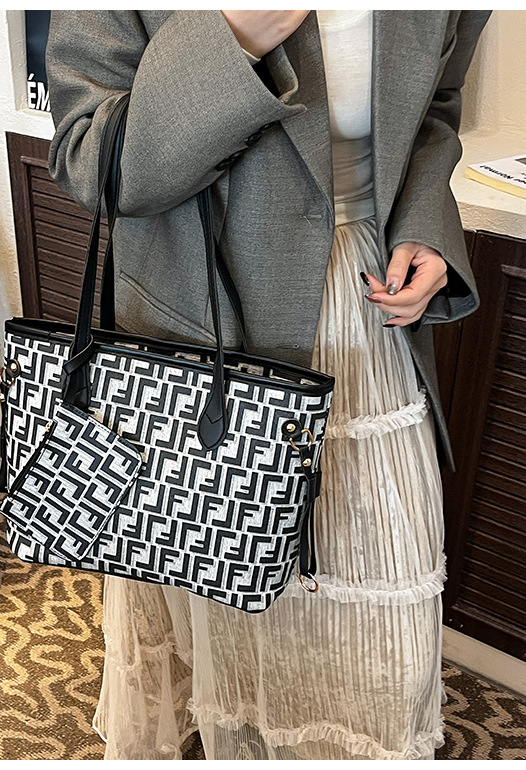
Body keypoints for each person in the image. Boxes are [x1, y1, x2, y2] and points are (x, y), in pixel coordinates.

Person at [45, 10, 490, 760]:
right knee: (221, 587)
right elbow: (94, 160)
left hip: (365, 316)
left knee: (370, 593)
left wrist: (425, 225)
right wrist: (235, 37)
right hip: (199, 323)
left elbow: (434, 108)